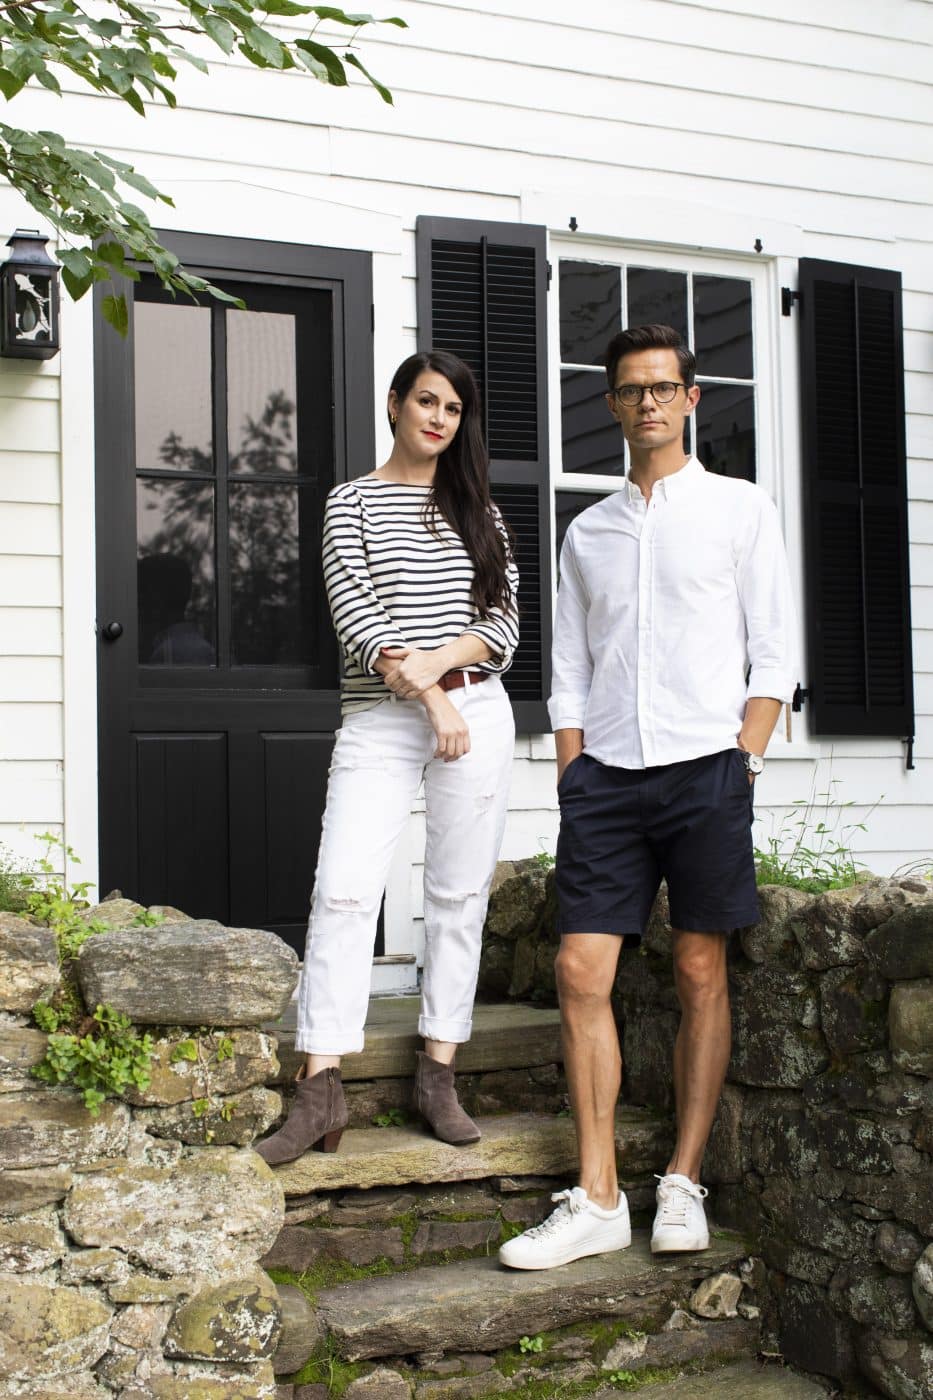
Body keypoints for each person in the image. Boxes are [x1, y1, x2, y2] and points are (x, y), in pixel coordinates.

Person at [499, 324, 796, 1270]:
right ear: (613, 406)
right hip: (607, 783)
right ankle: (593, 1197)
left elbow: (774, 652)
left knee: (700, 972)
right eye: (631, 391)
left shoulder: (741, 510)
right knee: (581, 973)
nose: (649, 404)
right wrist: (574, 766)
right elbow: (571, 666)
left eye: (664, 388)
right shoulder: (586, 532)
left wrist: (742, 757)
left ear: (692, 399)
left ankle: (681, 1181)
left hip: (706, 769)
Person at [256, 350, 518, 1166]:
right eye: (426, 402)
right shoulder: (352, 504)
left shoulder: (480, 511)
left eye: (453, 410)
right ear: (396, 403)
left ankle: (437, 1071)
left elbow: (503, 627)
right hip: (383, 713)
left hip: (478, 709)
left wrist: (444, 673)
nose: (439, 419)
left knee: (457, 894)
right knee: (342, 891)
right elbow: (360, 624)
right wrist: (433, 695)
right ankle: (320, 1083)